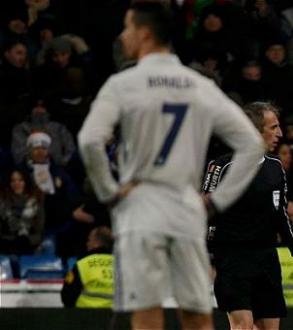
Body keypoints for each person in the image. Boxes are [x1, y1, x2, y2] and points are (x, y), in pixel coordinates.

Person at [77, 2, 264, 330]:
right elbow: (250, 144)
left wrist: (109, 192)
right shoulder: (197, 84)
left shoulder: (124, 83)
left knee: (146, 311)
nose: (123, 35)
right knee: (196, 311)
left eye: (128, 28)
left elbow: (90, 140)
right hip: (185, 204)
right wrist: (218, 200)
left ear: (145, 33)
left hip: (141, 203)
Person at [202, 101, 293, 330]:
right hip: (233, 256)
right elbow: (205, 212)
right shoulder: (222, 166)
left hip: (266, 256)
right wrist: (208, 252)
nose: (280, 133)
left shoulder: (275, 168)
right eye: (273, 127)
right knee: (243, 326)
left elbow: (280, 212)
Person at [61, 226, 114, 308]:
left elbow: (67, 295)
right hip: (115, 317)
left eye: (89, 240)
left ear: (96, 243)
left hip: (85, 317)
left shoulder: (82, 264)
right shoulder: (121, 265)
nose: (87, 244)